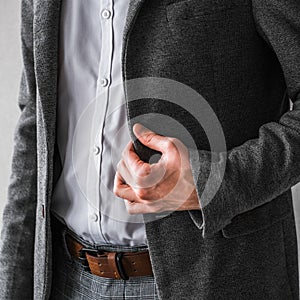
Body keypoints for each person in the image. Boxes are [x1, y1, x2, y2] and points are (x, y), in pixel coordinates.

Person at [1, 0, 300, 299]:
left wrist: (213, 182)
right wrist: (12, 283)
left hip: (213, 279)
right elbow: (35, 122)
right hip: (64, 279)